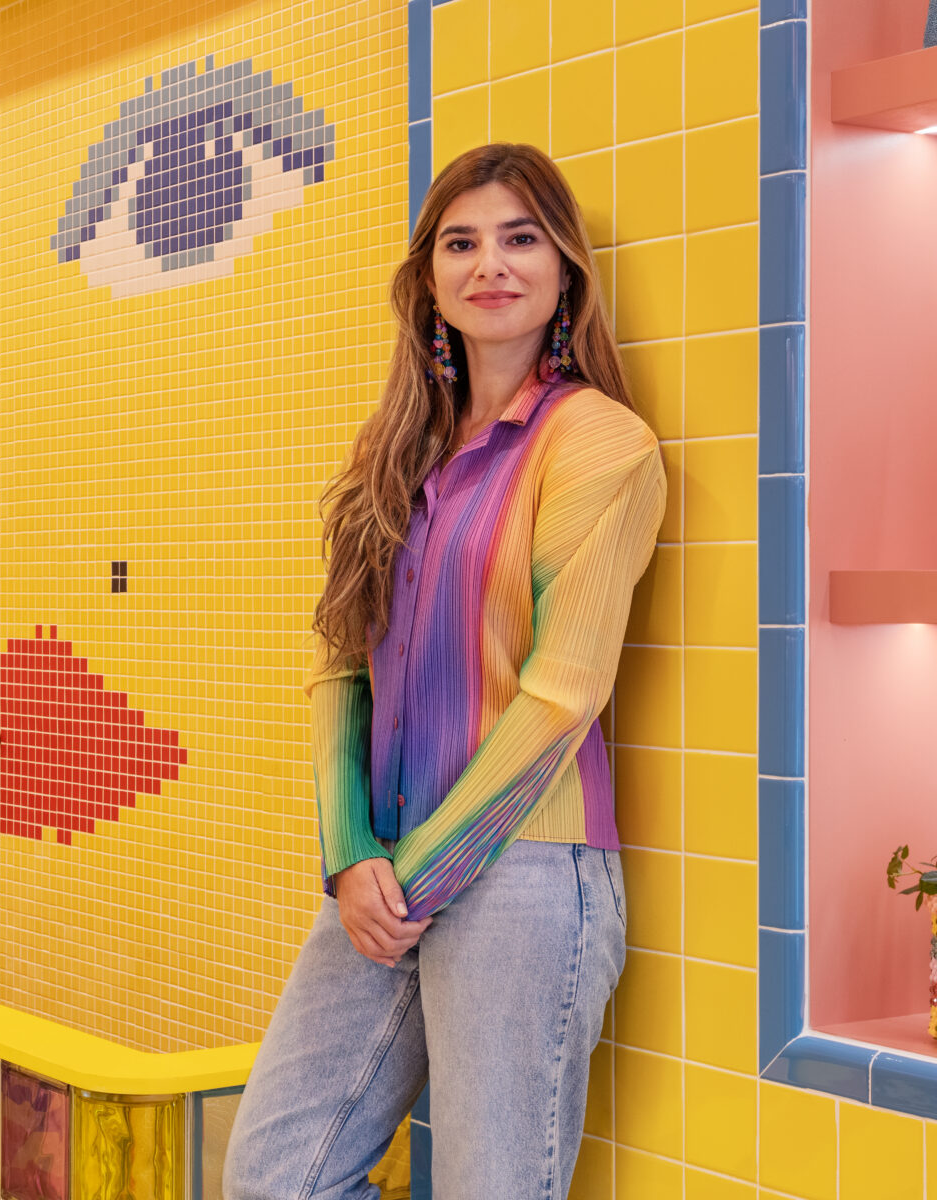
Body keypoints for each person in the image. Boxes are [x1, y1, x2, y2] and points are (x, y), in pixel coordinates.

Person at [226, 143, 667, 1198]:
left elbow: (563, 695)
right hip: (382, 875)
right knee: (275, 1178)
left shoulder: (602, 445)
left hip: (520, 874)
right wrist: (348, 854)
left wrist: (406, 877)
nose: (491, 265)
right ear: (428, 277)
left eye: (521, 239)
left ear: (565, 269)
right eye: (461, 243)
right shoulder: (398, 450)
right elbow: (341, 662)